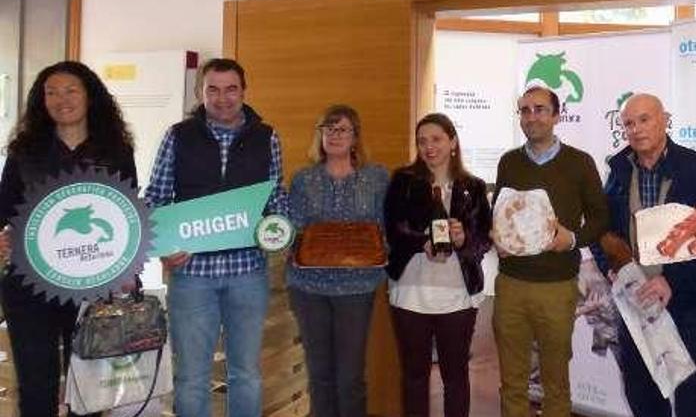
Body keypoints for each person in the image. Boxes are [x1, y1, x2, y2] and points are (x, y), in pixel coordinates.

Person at [144, 58, 287, 417]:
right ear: (200, 92)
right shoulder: (178, 135)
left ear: (243, 91)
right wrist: (164, 249)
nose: (222, 98)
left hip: (248, 272)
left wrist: (280, 227)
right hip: (192, 275)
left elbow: (275, 197)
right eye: (213, 89)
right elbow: (156, 198)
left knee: (246, 374)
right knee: (192, 377)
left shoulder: (267, 137)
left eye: (231, 89)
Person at [0, 61, 136, 417]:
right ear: (41, 101)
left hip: (91, 288)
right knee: (36, 386)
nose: (61, 99)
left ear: (89, 96)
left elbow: (129, 214)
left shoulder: (115, 152)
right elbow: (4, 211)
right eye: (51, 92)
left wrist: (127, 269)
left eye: (70, 90)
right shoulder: (24, 152)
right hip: (29, 286)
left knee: (87, 387)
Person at [594, 93, 696, 417]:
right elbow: (603, 232)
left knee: (691, 402)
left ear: (665, 119)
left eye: (645, 119)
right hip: (635, 304)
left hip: (688, 307)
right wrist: (611, 268)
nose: (637, 129)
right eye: (628, 122)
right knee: (642, 397)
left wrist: (673, 282)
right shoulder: (617, 172)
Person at [492, 86, 609, 417]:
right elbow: (500, 213)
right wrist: (497, 235)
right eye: (525, 110)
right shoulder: (509, 162)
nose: (532, 116)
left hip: (557, 287)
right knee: (512, 380)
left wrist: (572, 239)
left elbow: (601, 218)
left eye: (540, 109)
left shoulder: (580, 162)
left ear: (557, 115)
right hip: (511, 285)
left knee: (556, 381)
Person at [384, 113, 492, 417]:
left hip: (457, 295)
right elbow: (392, 231)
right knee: (415, 376)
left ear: (453, 141)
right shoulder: (403, 181)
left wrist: (462, 240)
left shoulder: (474, 186)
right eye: (422, 141)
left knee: (455, 377)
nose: (429, 147)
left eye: (436, 139)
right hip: (410, 292)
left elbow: (484, 238)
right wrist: (422, 242)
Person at [286, 104, 389, 417]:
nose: (334, 135)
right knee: (319, 374)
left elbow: (386, 227)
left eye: (342, 129)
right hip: (308, 288)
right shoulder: (303, 179)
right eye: (328, 129)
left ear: (355, 136)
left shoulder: (377, 177)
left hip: (357, 289)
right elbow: (294, 227)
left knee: (350, 376)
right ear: (319, 136)